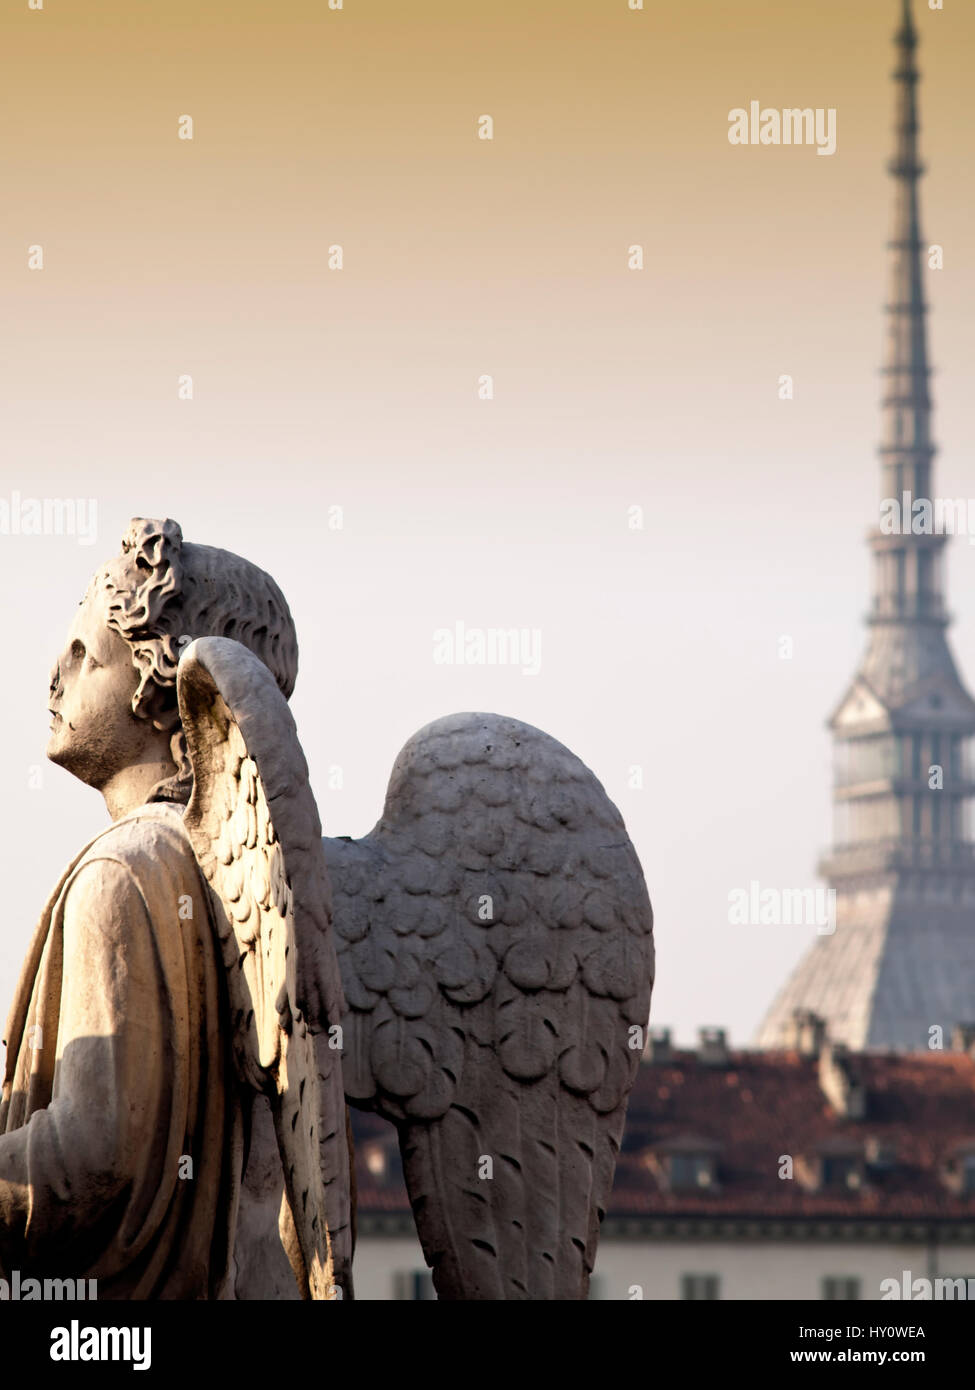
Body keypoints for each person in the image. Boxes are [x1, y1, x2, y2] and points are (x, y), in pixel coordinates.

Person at [0, 518, 299, 1298]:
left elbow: (94, 1162)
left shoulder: (125, 872)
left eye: (85, 656)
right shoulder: (229, 868)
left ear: (156, 686)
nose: (54, 677)